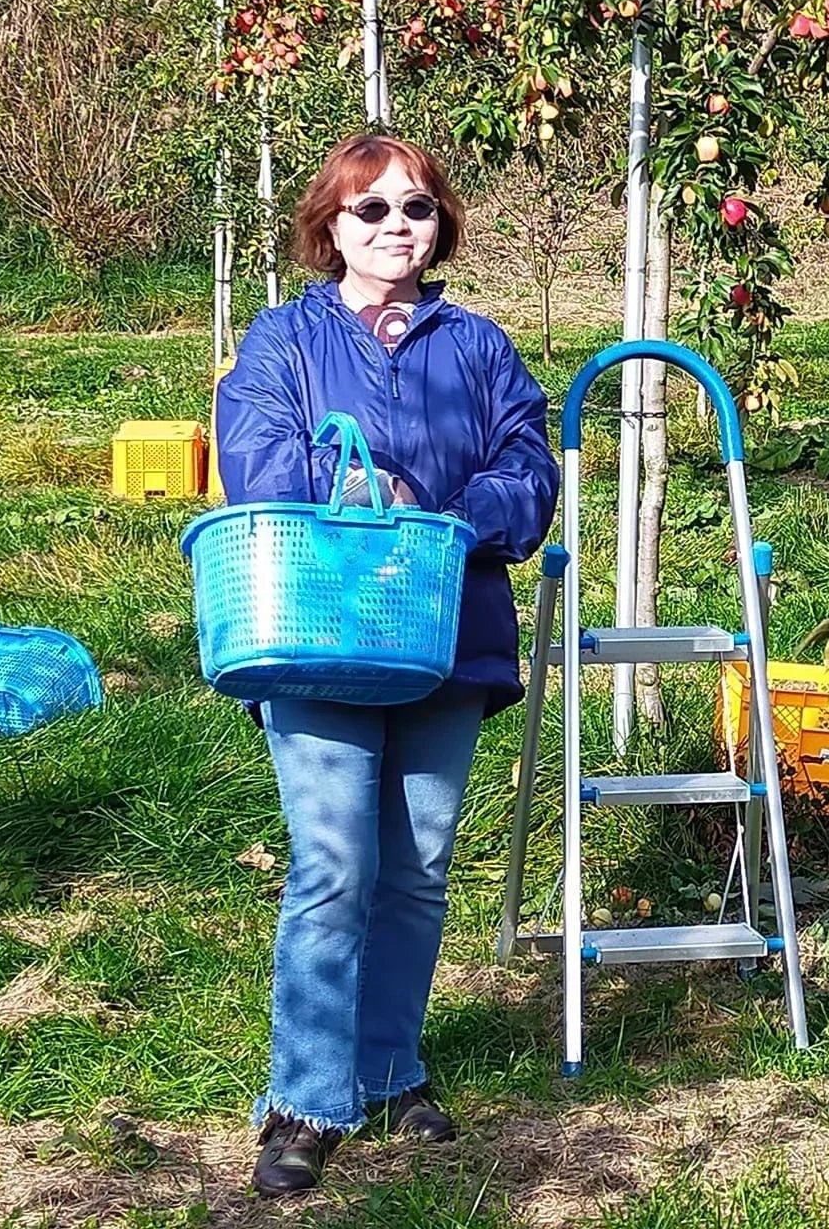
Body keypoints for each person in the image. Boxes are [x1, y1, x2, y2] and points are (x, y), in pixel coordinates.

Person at [214, 132, 559, 1198]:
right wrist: (357, 487)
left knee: (415, 868)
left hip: (443, 636)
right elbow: (253, 458)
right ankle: (308, 1098)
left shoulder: (479, 348)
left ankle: (390, 1067)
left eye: (414, 208)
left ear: (439, 224)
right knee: (332, 867)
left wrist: (449, 512)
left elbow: (529, 477)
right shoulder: (282, 340)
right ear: (330, 227)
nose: (394, 228)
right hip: (314, 637)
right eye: (369, 211)